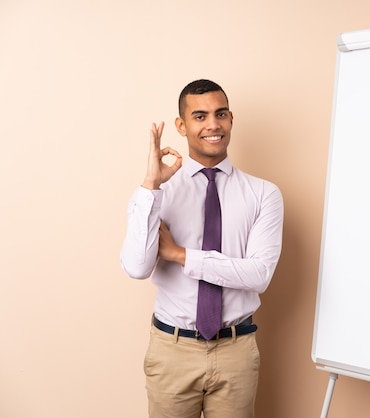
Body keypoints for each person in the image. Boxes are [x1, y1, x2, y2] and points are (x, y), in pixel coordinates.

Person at [120, 79, 284, 418]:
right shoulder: (157, 194)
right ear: (181, 125)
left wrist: (181, 255)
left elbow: (259, 275)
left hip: (236, 350)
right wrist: (151, 184)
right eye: (200, 116)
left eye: (220, 114)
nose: (213, 124)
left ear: (231, 119)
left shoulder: (263, 194)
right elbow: (137, 267)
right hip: (172, 350)